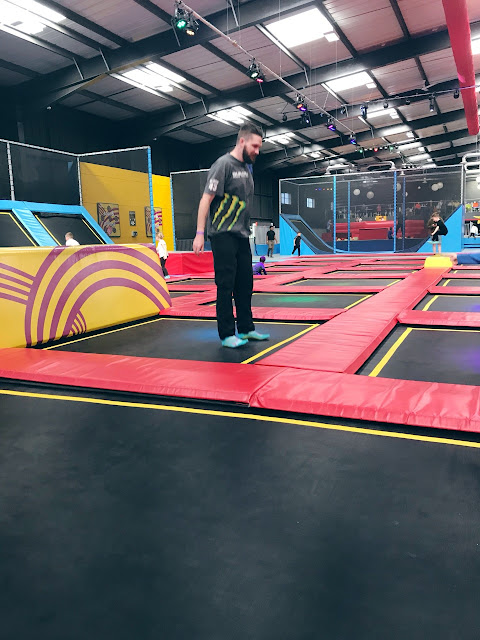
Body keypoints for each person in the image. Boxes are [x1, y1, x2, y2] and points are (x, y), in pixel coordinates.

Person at [192, 122, 269, 349]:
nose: (257, 151)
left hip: (241, 235)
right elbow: (206, 199)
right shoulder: (223, 165)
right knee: (225, 285)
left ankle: (246, 329)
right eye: (255, 146)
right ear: (242, 141)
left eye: (259, 147)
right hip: (222, 234)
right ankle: (226, 334)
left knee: (245, 284)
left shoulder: (246, 169)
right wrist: (199, 234)